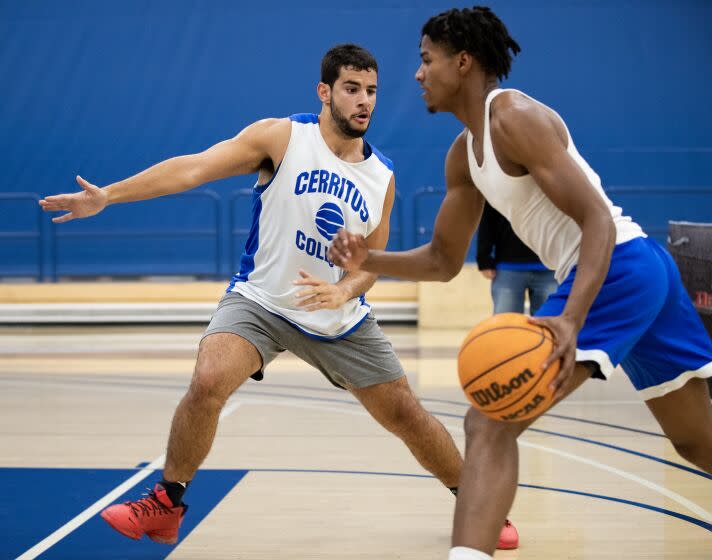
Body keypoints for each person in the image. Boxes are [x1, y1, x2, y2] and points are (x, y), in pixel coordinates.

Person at [39, 44, 519, 550]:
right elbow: (194, 169)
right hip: (262, 303)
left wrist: (343, 290)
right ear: (325, 91)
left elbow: (370, 266)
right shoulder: (282, 137)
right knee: (208, 379)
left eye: (372, 91)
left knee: (407, 415)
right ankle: (166, 504)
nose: (364, 101)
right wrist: (109, 195)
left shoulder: (382, 177)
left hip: (337, 318)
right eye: (352, 89)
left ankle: (477, 504)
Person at [327, 8, 712, 560]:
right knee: (697, 441)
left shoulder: (512, 115)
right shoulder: (463, 155)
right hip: (637, 270)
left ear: (462, 62)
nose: (417, 74)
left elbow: (597, 220)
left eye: (425, 59)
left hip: (618, 266)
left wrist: (571, 317)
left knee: (487, 421)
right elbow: (441, 260)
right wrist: (371, 257)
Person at [476, 201, 557, 314]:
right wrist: (483, 258)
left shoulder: (558, 184)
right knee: (506, 326)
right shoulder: (501, 185)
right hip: (508, 267)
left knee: (549, 328)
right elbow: (488, 217)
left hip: (550, 268)